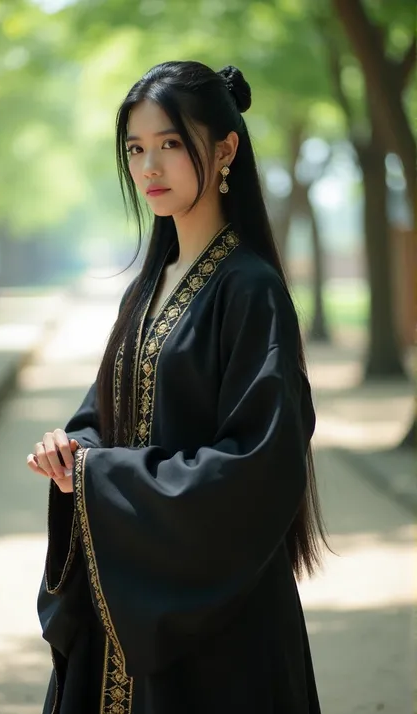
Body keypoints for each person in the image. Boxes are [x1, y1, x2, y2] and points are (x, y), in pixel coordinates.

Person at [28, 60, 327, 714]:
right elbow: (107, 416)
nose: (149, 168)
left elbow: (262, 463)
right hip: (125, 597)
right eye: (136, 149)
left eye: (169, 143)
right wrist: (71, 451)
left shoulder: (251, 290)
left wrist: (102, 477)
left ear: (225, 149)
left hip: (221, 619)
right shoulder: (147, 286)